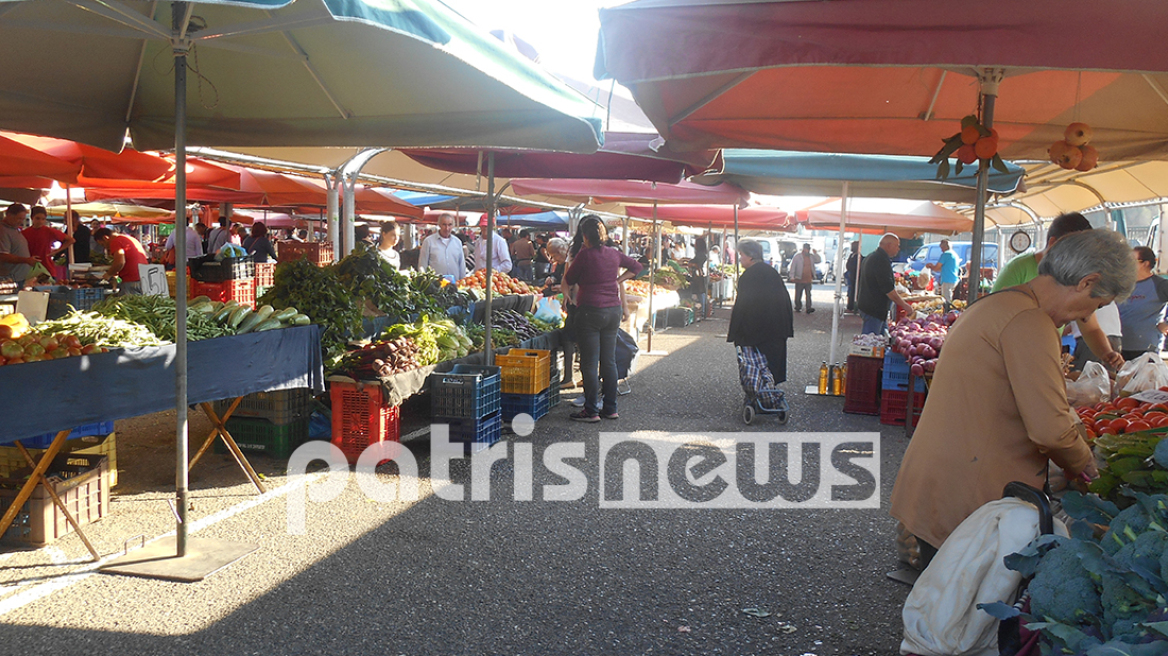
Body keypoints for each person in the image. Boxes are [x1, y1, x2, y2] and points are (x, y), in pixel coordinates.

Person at [890, 229, 1134, 565]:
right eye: (1096, 305)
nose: (1084, 317)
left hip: (940, 480)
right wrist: (1088, 471)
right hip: (969, 495)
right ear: (1087, 282)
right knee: (957, 613)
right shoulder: (1029, 322)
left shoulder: (997, 303)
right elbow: (1050, 429)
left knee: (935, 601)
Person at [993, 212, 1124, 370]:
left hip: (1046, 355)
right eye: (1074, 252)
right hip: (1012, 357)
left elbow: (1090, 327)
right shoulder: (1017, 268)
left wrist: (1106, 353)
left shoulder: (1075, 278)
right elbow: (997, 316)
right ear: (1054, 243)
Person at [563, 216, 643, 422]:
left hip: (589, 310)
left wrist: (566, 295)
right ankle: (610, 407)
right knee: (608, 361)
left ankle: (591, 410)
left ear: (585, 236)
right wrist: (618, 280)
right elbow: (637, 267)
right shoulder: (614, 253)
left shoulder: (584, 256)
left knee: (589, 363)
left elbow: (569, 279)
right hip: (612, 311)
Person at [727, 240, 794, 402]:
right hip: (777, 328)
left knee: (755, 364)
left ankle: (757, 392)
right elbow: (785, 300)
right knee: (771, 363)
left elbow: (742, 305)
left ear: (750, 256)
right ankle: (769, 391)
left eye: (741, 255)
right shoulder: (772, 272)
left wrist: (734, 332)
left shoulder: (748, 277)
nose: (740, 258)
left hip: (755, 330)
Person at [1117, 246, 1168, 361]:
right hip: (1120, 348)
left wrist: (1166, 324)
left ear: (1145, 263)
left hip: (1147, 348)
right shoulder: (1123, 284)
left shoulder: (1159, 285)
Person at [857, 234, 915, 334]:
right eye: (897, 245)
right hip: (874, 310)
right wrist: (905, 306)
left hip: (871, 308)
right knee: (871, 343)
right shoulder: (880, 260)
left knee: (881, 339)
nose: (898, 249)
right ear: (889, 245)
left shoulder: (872, 256)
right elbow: (888, 290)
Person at [544, 237, 577, 387]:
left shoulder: (572, 260)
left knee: (568, 337)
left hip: (573, 302)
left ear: (561, 251)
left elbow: (573, 282)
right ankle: (574, 377)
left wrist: (564, 289)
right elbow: (560, 278)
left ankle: (569, 378)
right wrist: (552, 279)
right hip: (567, 301)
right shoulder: (560, 264)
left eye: (555, 255)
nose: (554, 259)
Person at [94, 227, 149, 295]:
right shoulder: (129, 238)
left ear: (106, 238)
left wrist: (109, 274)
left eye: (103, 244)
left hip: (131, 280)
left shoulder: (115, 241)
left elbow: (120, 262)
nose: (105, 247)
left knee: (129, 303)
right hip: (143, 278)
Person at [22, 206, 74, 272]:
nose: (40, 221)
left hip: (47, 268)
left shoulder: (49, 231)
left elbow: (71, 240)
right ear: (32, 218)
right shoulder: (24, 233)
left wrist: (57, 251)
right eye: (37, 218)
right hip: (30, 268)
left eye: (43, 219)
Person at [418, 213, 466, 280]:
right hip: (436, 285)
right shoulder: (428, 242)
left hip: (455, 284)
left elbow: (462, 266)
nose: (447, 228)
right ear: (439, 225)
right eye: (444, 224)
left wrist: (463, 282)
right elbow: (422, 265)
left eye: (450, 225)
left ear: (453, 226)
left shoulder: (457, 242)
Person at [0, 203, 37, 285]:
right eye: (19, 218)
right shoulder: (2, 231)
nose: (20, 222)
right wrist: (26, 260)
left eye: (22, 219)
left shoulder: (14, 229)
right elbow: (3, 256)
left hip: (21, 277)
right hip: (11, 279)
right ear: (9, 215)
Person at [927, 239, 961, 303]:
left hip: (947, 279)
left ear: (944, 247)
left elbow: (937, 268)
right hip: (953, 279)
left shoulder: (945, 254)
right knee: (949, 297)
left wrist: (930, 266)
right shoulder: (954, 254)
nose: (941, 250)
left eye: (941, 248)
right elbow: (944, 268)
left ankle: (948, 312)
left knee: (946, 300)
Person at [788, 243, 818, 313]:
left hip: (808, 279)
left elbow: (818, 260)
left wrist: (816, 253)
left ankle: (808, 307)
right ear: (804, 249)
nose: (808, 250)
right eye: (807, 249)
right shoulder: (797, 257)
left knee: (808, 294)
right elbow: (793, 266)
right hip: (799, 279)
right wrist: (792, 276)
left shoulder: (811, 257)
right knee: (798, 294)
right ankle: (798, 306)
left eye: (808, 249)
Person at [844, 241, 860, 312]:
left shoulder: (858, 257)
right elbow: (848, 265)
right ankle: (850, 306)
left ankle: (852, 306)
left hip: (855, 278)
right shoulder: (852, 255)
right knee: (850, 291)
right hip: (851, 277)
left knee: (853, 291)